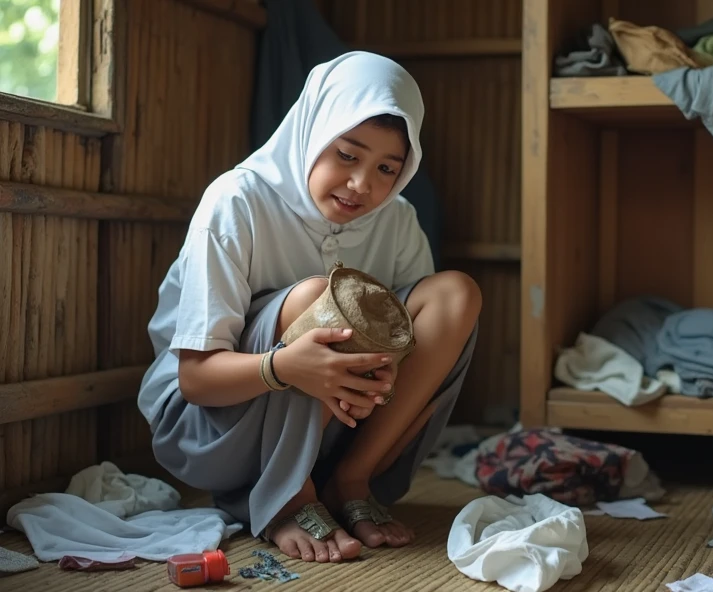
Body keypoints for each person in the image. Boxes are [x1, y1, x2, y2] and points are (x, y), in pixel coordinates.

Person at [136, 52, 481, 564]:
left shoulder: (397, 221)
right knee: (320, 296)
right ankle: (288, 496)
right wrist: (285, 368)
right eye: (347, 154)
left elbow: (414, 359)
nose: (363, 184)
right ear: (313, 131)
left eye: (387, 167)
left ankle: (350, 479)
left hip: (340, 427)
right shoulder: (236, 201)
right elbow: (195, 381)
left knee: (456, 294)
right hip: (210, 423)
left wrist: (369, 382)